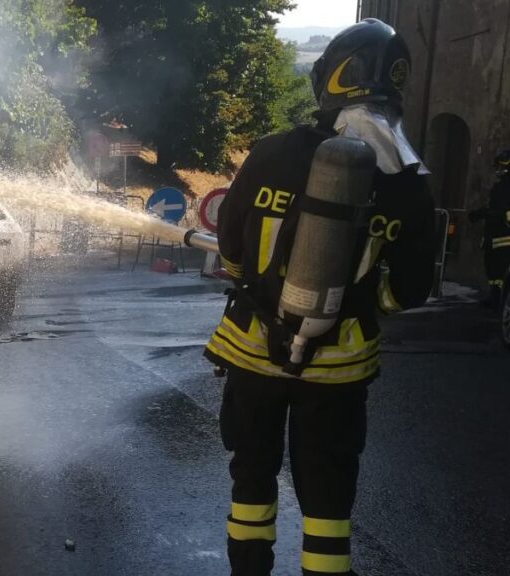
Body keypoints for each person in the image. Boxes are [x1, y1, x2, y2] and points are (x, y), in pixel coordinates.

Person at [204, 19, 435, 576]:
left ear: (330, 79)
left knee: (251, 480)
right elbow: (411, 287)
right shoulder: (408, 182)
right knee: (329, 499)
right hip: (339, 371)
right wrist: (361, 308)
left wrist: (256, 286)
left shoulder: (271, 154)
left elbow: (230, 246)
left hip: (254, 354)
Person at [468, 150, 510, 308]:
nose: (498, 169)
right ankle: (495, 295)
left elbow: (501, 210)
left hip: (504, 235)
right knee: (493, 266)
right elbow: (494, 207)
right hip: (496, 234)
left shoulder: (505, 185)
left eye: (501, 166)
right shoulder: (501, 185)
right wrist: (481, 213)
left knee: (499, 267)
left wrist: (485, 214)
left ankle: (497, 298)